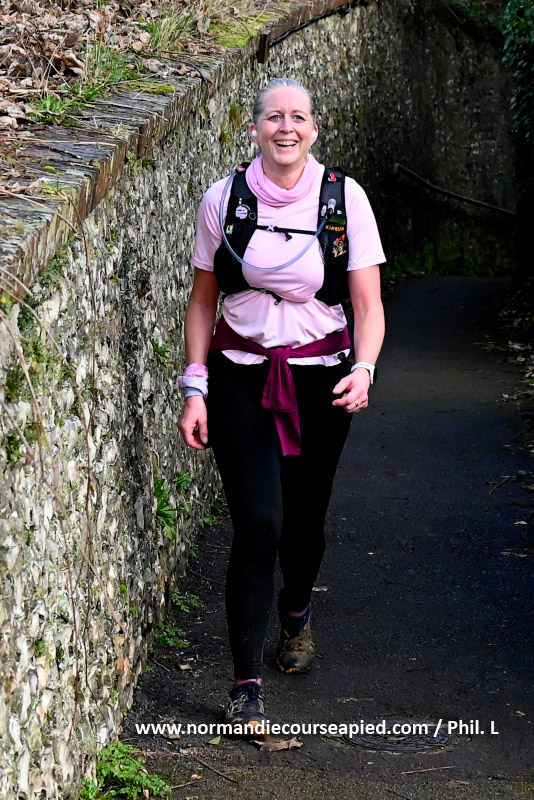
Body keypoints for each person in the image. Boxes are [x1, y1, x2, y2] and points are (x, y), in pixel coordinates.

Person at [178, 77, 385, 734]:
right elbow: (203, 300)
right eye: (273, 117)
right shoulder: (224, 200)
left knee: (303, 522)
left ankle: (296, 612)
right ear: (255, 129)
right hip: (239, 379)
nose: (285, 128)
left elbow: (368, 305)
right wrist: (194, 385)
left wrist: (364, 369)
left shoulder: (344, 200)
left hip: (321, 382)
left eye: (297, 117)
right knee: (259, 525)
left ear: (313, 129)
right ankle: (245, 686)